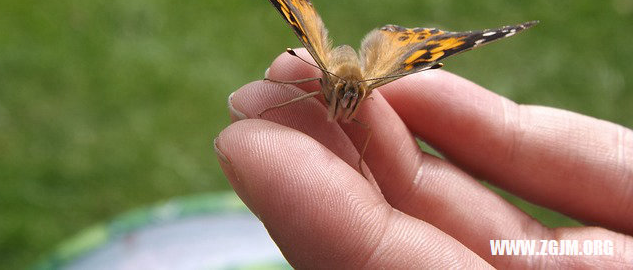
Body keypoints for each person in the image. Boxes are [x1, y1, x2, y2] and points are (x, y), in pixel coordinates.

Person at [214, 49, 633, 268]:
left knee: (361, 131)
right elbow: (310, 80)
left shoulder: (365, 97)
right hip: (328, 67)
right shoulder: (320, 75)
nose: (344, 108)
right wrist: (276, 105)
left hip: (366, 73)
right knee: (300, 84)